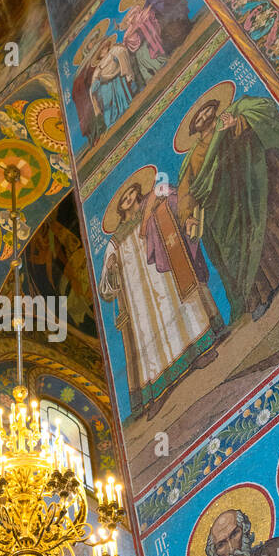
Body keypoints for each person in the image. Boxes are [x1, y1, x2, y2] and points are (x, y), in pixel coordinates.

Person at [176, 94, 279, 324]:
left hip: (256, 177)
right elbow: (186, 192)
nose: (203, 116)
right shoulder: (193, 157)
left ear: (214, 110)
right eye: (198, 118)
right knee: (241, 244)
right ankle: (260, 295)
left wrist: (238, 123)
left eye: (206, 111)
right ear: (194, 128)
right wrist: (187, 216)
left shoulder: (234, 114)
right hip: (228, 206)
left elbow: (263, 110)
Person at [99, 176, 219, 417]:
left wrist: (162, 195)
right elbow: (106, 283)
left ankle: (198, 353)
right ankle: (160, 388)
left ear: (136, 192)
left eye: (130, 194)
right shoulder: (115, 240)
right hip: (137, 294)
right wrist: (111, 266)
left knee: (177, 308)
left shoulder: (151, 204)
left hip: (161, 271)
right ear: (120, 208)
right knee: (147, 334)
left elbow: (177, 198)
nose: (128, 200)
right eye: (123, 200)